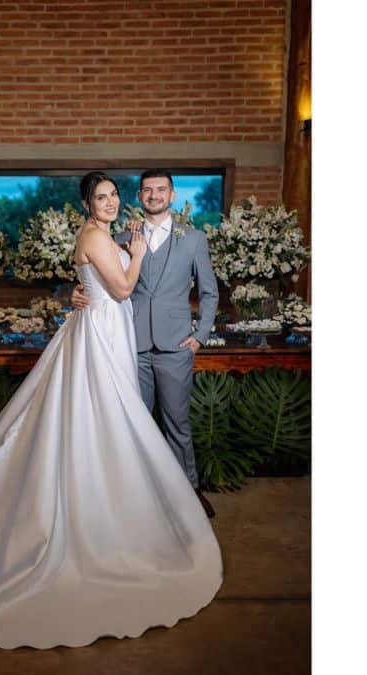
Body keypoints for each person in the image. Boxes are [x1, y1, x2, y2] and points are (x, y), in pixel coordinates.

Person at [0, 171, 222, 649]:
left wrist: (88, 287)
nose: (112, 202)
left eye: (114, 195)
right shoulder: (109, 236)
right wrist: (129, 260)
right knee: (109, 416)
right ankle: (105, 504)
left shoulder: (151, 236)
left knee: (147, 421)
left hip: (135, 336)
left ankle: (165, 495)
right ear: (88, 203)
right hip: (109, 335)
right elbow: (121, 287)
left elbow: (119, 279)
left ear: (168, 196)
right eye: (102, 197)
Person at [72, 169, 220, 517]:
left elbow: (210, 292)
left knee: (177, 424)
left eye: (161, 190)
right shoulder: (121, 236)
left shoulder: (194, 238)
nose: (154, 195)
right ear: (139, 196)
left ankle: (189, 491)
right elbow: (97, 277)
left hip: (176, 346)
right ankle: (143, 496)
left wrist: (200, 336)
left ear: (172, 195)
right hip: (127, 346)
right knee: (133, 423)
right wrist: (75, 292)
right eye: (147, 190)